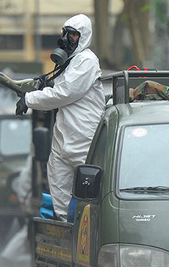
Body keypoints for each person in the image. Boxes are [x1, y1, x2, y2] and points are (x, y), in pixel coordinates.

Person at [15, 14, 105, 221]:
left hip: (84, 139)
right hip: (64, 138)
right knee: (57, 185)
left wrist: (29, 100)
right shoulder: (70, 62)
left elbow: (63, 94)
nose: (68, 38)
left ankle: (87, 233)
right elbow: (57, 88)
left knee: (90, 194)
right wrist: (37, 86)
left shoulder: (87, 61)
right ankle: (67, 229)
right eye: (66, 33)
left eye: (73, 34)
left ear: (83, 37)